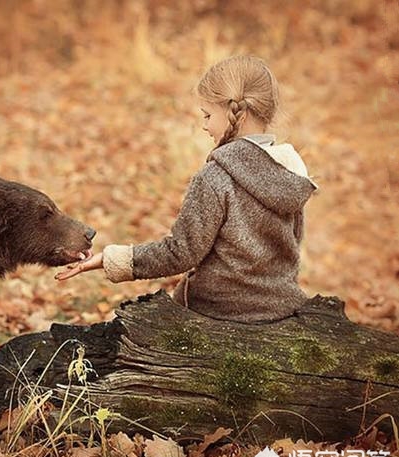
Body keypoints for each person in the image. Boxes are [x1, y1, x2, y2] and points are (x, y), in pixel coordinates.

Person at [56, 55, 317, 323]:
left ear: (234, 111)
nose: (204, 125)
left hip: (214, 311)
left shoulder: (215, 177)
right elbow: (291, 250)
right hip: (280, 309)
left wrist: (112, 258)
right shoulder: (290, 171)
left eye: (207, 115)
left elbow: (181, 253)